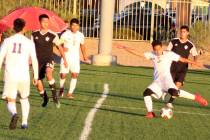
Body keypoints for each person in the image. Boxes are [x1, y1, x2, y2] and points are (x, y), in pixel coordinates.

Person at [120, 40, 208, 119]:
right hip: (157, 82)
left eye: (159, 49)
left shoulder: (169, 54)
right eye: (155, 50)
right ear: (153, 49)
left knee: (174, 92)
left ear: (162, 47)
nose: (157, 52)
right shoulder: (152, 54)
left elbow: (182, 59)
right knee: (146, 93)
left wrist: (194, 62)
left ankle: (196, 97)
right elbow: (138, 53)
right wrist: (124, 47)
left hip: (167, 81)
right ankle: (150, 113)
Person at [0, 18, 38, 129]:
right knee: (24, 98)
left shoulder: (7, 41)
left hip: (11, 75)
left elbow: (0, 57)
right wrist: (35, 76)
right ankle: (24, 123)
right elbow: (34, 59)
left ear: (13, 27)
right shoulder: (29, 42)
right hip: (24, 76)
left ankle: (14, 114)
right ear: (24, 28)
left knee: (10, 99)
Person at [31, 14, 67, 108]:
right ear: (40, 22)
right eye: (44, 22)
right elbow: (30, 48)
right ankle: (45, 98)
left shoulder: (53, 34)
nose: (46, 24)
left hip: (48, 59)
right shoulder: (34, 34)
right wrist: (29, 60)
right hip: (37, 62)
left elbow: (59, 47)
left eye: (47, 22)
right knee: (38, 82)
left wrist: (65, 59)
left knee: (48, 73)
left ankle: (55, 96)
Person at [166, 25, 198, 108]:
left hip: (183, 69)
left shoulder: (190, 45)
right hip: (172, 67)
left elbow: (195, 54)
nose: (182, 33)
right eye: (181, 31)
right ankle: (166, 94)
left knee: (178, 85)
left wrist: (194, 62)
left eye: (184, 32)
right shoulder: (173, 41)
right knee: (170, 86)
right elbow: (167, 51)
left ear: (187, 33)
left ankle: (170, 102)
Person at [59, 18, 89, 99]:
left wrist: (85, 57)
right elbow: (58, 44)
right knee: (63, 75)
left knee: (75, 74)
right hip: (66, 57)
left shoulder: (81, 35)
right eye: (73, 25)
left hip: (75, 58)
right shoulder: (65, 34)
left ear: (78, 26)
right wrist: (62, 48)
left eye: (76, 25)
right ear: (70, 26)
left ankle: (70, 93)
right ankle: (61, 89)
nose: (75, 27)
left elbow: (82, 46)